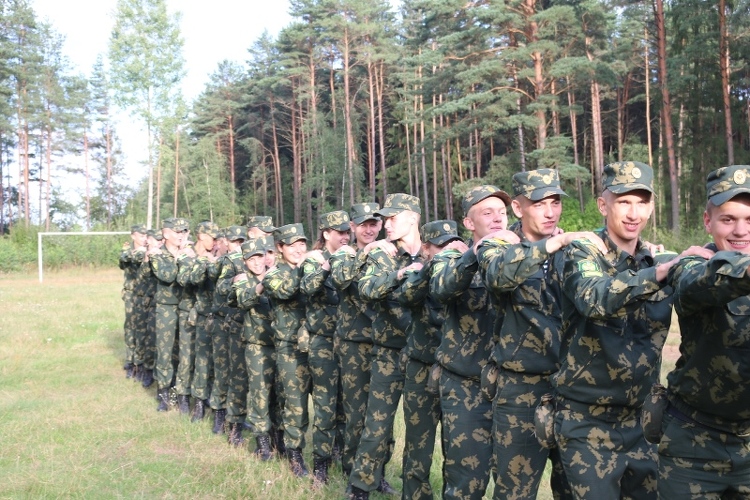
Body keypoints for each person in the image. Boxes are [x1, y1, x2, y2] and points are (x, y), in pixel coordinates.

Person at [551, 161, 694, 499]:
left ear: (652, 207)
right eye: (624, 201)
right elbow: (593, 297)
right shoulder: (582, 251)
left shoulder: (657, 260)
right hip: (587, 423)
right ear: (604, 205)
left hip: (644, 423)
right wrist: (660, 274)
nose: (633, 213)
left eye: (642, 202)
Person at [476, 169, 603, 499]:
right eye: (539, 204)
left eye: (556, 202)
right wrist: (552, 243)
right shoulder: (499, 244)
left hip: (572, 389)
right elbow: (497, 277)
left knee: (576, 489)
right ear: (518, 208)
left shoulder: (575, 249)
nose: (550, 212)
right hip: (520, 390)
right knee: (514, 489)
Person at [658, 164, 750, 498]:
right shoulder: (691, 265)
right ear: (708, 221)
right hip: (694, 446)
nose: (740, 230)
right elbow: (705, 283)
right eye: (728, 219)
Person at [428, 185, 510, 500]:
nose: (497, 218)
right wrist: (474, 254)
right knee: (465, 480)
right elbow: (441, 288)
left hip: (512, 387)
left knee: (512, 479)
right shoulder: (451, 256)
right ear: (469, 223)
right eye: (487, 212)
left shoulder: (517, 253)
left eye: (501, 212)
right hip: (466, 386)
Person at [349, 193, 424, 500]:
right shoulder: (382, 254)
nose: (386, 225)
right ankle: (360, 486)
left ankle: (414, 491)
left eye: (393, 218)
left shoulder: (436, 250)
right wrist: (399, 274)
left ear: (413, 219)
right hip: (388, 353)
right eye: (385, 219)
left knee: (420, 432)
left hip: (423, 356)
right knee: (376, 424)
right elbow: (367, 288)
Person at [398, 220, 461, 500]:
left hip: (454, 373)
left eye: (452, 245)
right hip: (421, 369)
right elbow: (408, 295)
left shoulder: (461, 274)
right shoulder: (417, 274)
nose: (448, 251)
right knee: (418, 445)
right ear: (426, 248)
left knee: (457, 448)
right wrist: (427, 270)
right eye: (441, 246)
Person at [329, 203, 382, 479]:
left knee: (381, 415)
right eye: (363, 225)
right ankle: (352, 470)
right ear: (352, 227)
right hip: (353, 344)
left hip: (384, 343)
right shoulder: (344, 255)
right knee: (355, 412)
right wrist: (363, 256)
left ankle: (379, 472)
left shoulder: (387, 253)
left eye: (374, 224)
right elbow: (339, 279)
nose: (369, 229)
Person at [301, 210, 351, 486]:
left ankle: (344, 456)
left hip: (348, 342)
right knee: (325, 406)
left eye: (347, 232)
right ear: (326, 234)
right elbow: (307, 287)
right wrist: (326, 267)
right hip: (323, 343)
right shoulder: (314, 260)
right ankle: (321, 464)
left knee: (347, 406)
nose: (344, 237)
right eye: (339, 232)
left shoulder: (351, 256)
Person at [263, 223, 311, 478]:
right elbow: (286, 290)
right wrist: (310, 269)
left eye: (302, 243)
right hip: (290, 349)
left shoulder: (312, 268)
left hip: (318, 347)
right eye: (292, 245)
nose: (298, 249)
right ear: (280, 248)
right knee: (295, 406)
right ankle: (295, 456)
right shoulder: (273, 275)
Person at [234, 235, 278, 460]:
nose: (257, 262)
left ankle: (278, 439)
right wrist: (263, 284)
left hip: (280, 345)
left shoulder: (277, 274)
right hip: (257, 347)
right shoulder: (243, 280)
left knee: (279, 396)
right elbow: (244, 300)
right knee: (259, 394)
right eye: (251, 259)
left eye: (260, 256)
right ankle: (262, 444)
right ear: (245, 261)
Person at [149, 217, 191, 412]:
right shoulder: (158, 255)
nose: (181, 236)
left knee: (185, 352)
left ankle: (182, 394)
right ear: (166, 234)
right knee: (164, 351)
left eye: (184, 232)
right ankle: (164, 393)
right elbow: (167, 276)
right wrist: (181, 259)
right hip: (166, 307)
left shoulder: (188, 254)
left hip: (185, 307)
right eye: (177, 232)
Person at [185, 221, 222, 422]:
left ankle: (215, 404)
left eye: (217, 238)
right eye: (212, 237)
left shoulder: (217, 257)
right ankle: (198, 402)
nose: (215, 241)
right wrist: (203, 261)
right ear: (201, 236)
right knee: (201, 361)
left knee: (218, 364)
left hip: (218, 316)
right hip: (200, 315)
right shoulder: (190, 256)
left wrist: (214, 259)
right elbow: (191, 279)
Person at [215, 225, 248, 445]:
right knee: (234, 375)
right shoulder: (232, 261)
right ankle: (229, 420)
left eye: (240, 241)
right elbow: (222, 288)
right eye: (234, 241)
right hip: (236, 324)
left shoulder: (270, 257)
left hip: (264, 329)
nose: (238, 245)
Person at [119, 224, 147, 379]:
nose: (143, 238)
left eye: (145, 235)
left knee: (142, 329)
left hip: (144, 295)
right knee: (130, 327)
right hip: (131, 294)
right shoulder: (127, 250)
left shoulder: (149, 250)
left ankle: (140, 361)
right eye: (141, 235)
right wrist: (139, 253)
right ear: (133, 236)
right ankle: (130, 360)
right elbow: (123, 260)